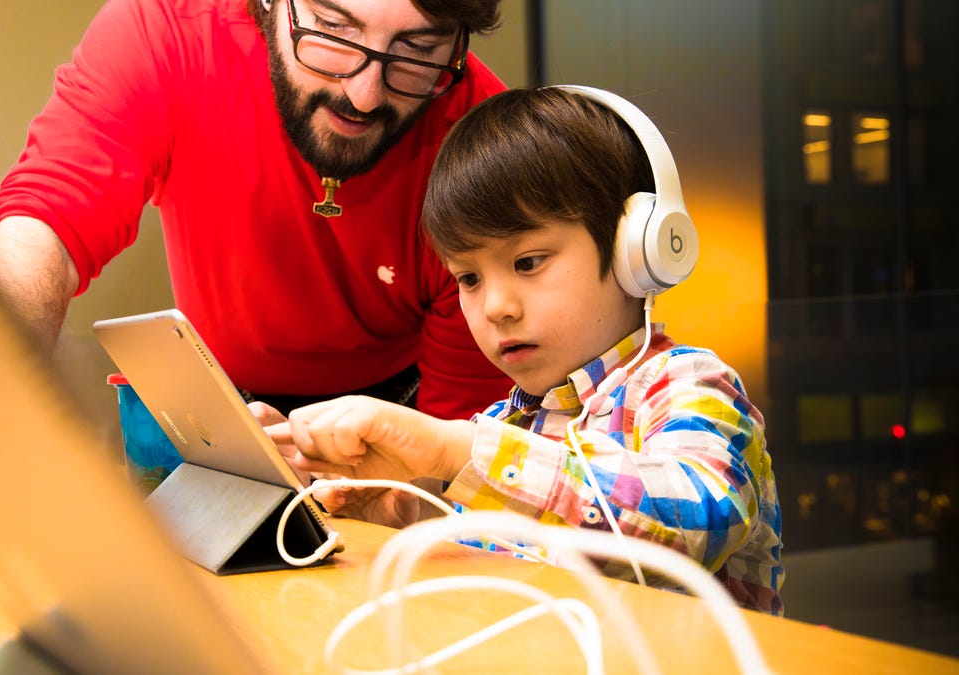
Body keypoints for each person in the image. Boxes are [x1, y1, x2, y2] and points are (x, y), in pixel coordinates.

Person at [0, 0, 511, 573]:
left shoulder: (479, 134)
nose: (364, 91)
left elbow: (453, 477)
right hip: (215, 409)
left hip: (395, 418)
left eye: (417, 51)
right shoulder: (167, 28)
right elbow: (45, 222)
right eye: (331, 27)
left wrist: (399, 494)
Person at [272, 86, 785, 615]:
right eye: (468, 277)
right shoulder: (508, 425)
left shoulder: (687, 386)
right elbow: (505, 554)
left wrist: (457, 451)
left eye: (528, 262)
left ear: (638, 249)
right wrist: (397, 506)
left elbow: (698, 521)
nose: (495, 306)